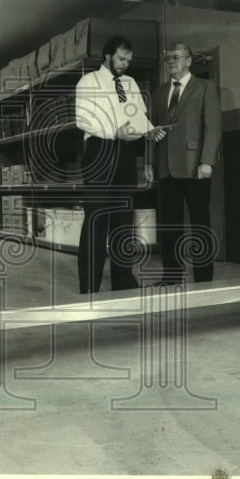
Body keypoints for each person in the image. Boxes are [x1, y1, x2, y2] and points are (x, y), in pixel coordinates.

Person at [75, 36, 165, 293]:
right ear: (108, 55)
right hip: (100, 151)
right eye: (121, 59)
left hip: (126, 153)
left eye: (128, 60)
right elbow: (83, 120)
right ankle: (89, 286)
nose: (125, 64)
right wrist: (114, 133)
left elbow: (137, 114)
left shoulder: (130, 83)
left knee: (123, 220)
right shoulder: (88, 82)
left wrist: (150, 130)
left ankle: (123, 281)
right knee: (97, 220)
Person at [145, 42, 222, 285]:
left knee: (200, 223)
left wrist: (207, 161)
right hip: (166, 167)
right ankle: (172, 276)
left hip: (195, 167)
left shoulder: (205, 87)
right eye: (167, 58)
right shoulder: (159, 93)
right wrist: (149, 163)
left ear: (189, 61)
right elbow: (151, 130)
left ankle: (204, 278)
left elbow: (213, 127)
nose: (170, 61)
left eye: (176, 57)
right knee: (169, 227)